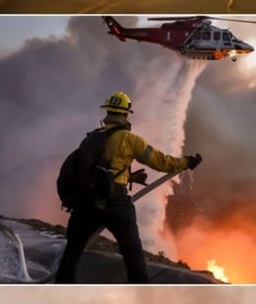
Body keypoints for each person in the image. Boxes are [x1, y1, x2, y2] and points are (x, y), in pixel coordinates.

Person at [54, 92, 202, 283]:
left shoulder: (91, 138)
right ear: (125, 114)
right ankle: (139, 290)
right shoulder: (129, 139)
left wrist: (130, 176)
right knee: (132, 250)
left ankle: (61, 290)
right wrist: (186, 162)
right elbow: (161, 162)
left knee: (72, 252)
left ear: (108, 112)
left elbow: (95, 169)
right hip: (115, 203)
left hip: (86, 203)